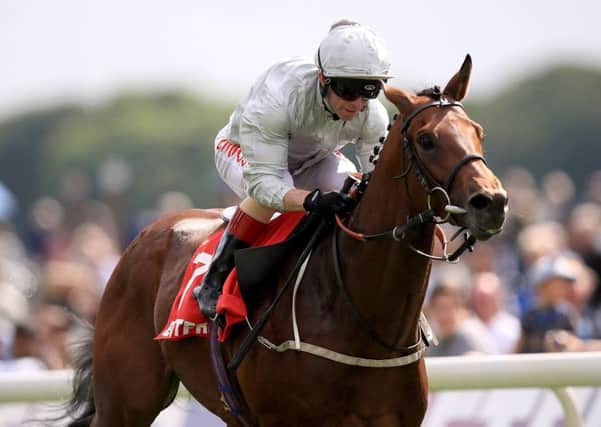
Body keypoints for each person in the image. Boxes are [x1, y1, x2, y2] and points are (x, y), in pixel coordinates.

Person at [193, 20, 392, 321]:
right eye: (348, 90)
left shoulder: (372, 115)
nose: (357, 104)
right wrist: (311, 200)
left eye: (370, 91)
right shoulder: (279, 98)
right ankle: (215, 277)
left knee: (352, 187)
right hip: (244, 154)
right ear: (324, 78)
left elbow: (377, 181)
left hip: (312, 158)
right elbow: (266, 185)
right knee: (270, 193)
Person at [514, 255, 578, 353]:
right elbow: (519, 346)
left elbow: (575, 344)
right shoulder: (531, 315)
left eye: (564, 285)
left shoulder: (566, 314)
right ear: (543, 285)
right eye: (558, 285)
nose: (563, 289)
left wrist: (567, 341)